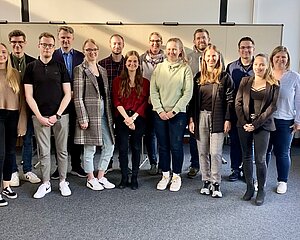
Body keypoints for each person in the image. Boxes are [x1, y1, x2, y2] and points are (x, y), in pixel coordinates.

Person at [23, 32, 72, 199]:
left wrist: (57, 115)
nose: (47, 48)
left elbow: (68, 94)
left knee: (62, 151)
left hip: (60, 116)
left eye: (50, 45)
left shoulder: (60, 66)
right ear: (39, 46)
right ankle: (45, 183)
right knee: (44, 152)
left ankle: (63, 181)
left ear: (54, 47)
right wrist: (39, 116)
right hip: (39, 117)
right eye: (44, 45)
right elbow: (28, 95)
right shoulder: (31, 67)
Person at [189, 44, 234, 198]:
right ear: (204, 58)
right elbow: (193, 100)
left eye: (214, 56)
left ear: (218, 57)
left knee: (215, 153)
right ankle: (206, 181)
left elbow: (230, 99)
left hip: (218, 118)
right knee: (202, 152)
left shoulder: (225, 77)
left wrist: (228, 119)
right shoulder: (198, 77)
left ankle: (216, 183)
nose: (211, 58)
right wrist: (191, 119)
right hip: (200, 117)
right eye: (208, 56)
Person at [235, 53, 279, 206]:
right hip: (244, 124)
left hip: (263, 125)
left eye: (262, 64)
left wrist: (256, 124)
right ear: (253, 65)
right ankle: (249, 188)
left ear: (267, 66)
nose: (259, 67)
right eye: (256, 64)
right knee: (246, 156)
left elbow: (272, 107)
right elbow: (238, 103)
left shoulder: (274, 84)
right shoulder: (245, 81)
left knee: (260, 159)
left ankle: (261, 189)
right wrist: (245, 123)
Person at [151, 37, 193, 192]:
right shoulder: (159, 68)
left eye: (175, 49)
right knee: (163, 146)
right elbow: (153, 90)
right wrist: (160, 110)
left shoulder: (185, 68)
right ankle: (165, 174)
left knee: (176, 146)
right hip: (159, 114)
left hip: (178, 114)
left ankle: (176, 176)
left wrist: (174, 111)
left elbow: (188, 93)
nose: (171, 51)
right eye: (169, 49)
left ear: (180, 50)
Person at [73, 39, 115, 191]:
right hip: (90, 114)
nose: (92, 52)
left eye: (95, 49)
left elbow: (106, 94)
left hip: (104, 114)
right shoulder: (79, 69)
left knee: (109, 144)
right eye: (89, 50)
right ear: (84, 51)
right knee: (90, 148)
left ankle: (101, 175)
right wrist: (82, 118)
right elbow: (77, 97)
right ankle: (90, 178)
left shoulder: (102, 70)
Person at [187, 28, 226, 179]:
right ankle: (195, 164)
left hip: (215, 107)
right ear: (194, 41)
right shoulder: (189, 58)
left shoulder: (218, 55)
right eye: (198, 38)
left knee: (214, 146)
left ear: (208, 39)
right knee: (195, 138)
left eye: (204, 38)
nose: (201, 40)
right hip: (196, 103)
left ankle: (213, 173)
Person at [8, 30, 41, 185]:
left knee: (28, 139)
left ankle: (27, 170)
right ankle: (13, 171)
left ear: (25, 43)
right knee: (11, 140)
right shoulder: (4, 61)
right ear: (10, 44)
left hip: (28, 107)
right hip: (10, 107)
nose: (17, 45)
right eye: (14, 42)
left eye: (20, 42)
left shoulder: (33, 62)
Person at [52, 26, 85, 179]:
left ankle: (76, 165)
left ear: (73, 39)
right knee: (60, 135)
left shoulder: (81, 56)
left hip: (77, 102)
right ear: (59, 38)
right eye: (62, 37)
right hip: (59, 103)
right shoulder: (52, 56)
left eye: (68, 38)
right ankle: (60, 167)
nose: (65, 40)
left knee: (76, 134)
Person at [113, 50, 150, 190]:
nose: (132, 64)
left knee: (135, 147)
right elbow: (116, 101)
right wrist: (127, 119)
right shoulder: (117, 81)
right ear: (125, 63)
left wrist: (133, 118)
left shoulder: (145, 82)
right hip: (122, 117)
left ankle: (134, 177)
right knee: (122, 148)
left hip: (138, 118)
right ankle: (124, 177)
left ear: (138, 64)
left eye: (135, 61)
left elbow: (145, 103)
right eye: (129, 61)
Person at [266, 46, 300, 194]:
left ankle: (282, 181)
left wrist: (298, 120)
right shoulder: (267, 74)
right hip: (266, 120)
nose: (280, 60)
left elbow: (299, 100)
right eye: (277, 57)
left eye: (283, 57)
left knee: (282, 152)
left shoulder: (294, 77)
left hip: (285, 121)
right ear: (272, 59)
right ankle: (262, 180)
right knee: (264, 152)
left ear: (287, 60)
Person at [0, 43, 26, 206]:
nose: (1, 55)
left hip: (13, 115)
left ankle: (6, 185)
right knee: (0, 153)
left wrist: (22, 122)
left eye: (3, 52)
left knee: (10, 152)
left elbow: (22, 99)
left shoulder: (15, 74)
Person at [226, 36, 255, 181]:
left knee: (250, 143)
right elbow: (228, 91)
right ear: (238, 50)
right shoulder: (231, 67)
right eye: (243, 47)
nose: (246, 50)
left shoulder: (259, 66)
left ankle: (247, 170)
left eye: (249, 47)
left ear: (253, 49)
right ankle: (235, 170)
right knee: (235, 142)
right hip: (235, 113)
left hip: (253, 113)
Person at [99, 34, 125, 172]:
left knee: (121, 136)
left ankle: (122, 162)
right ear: (110, 45)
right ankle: (107, 163)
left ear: (123, 45)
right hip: (107, 105)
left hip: (122, 107)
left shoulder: (128, 63)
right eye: (114, 43)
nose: (117, 46)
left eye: (119, 43)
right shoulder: (102, 64)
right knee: (108, 136)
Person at [140, 32, 165, 175]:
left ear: (161, 42)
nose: (155, 44)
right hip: (147, 102)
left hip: (163, 102)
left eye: (158, 41)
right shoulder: (142, 58)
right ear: (149, 42)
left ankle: (163, 164)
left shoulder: (167, 58)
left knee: (162, 134)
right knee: (150, 134)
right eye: (152, 41)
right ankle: (153, 163)